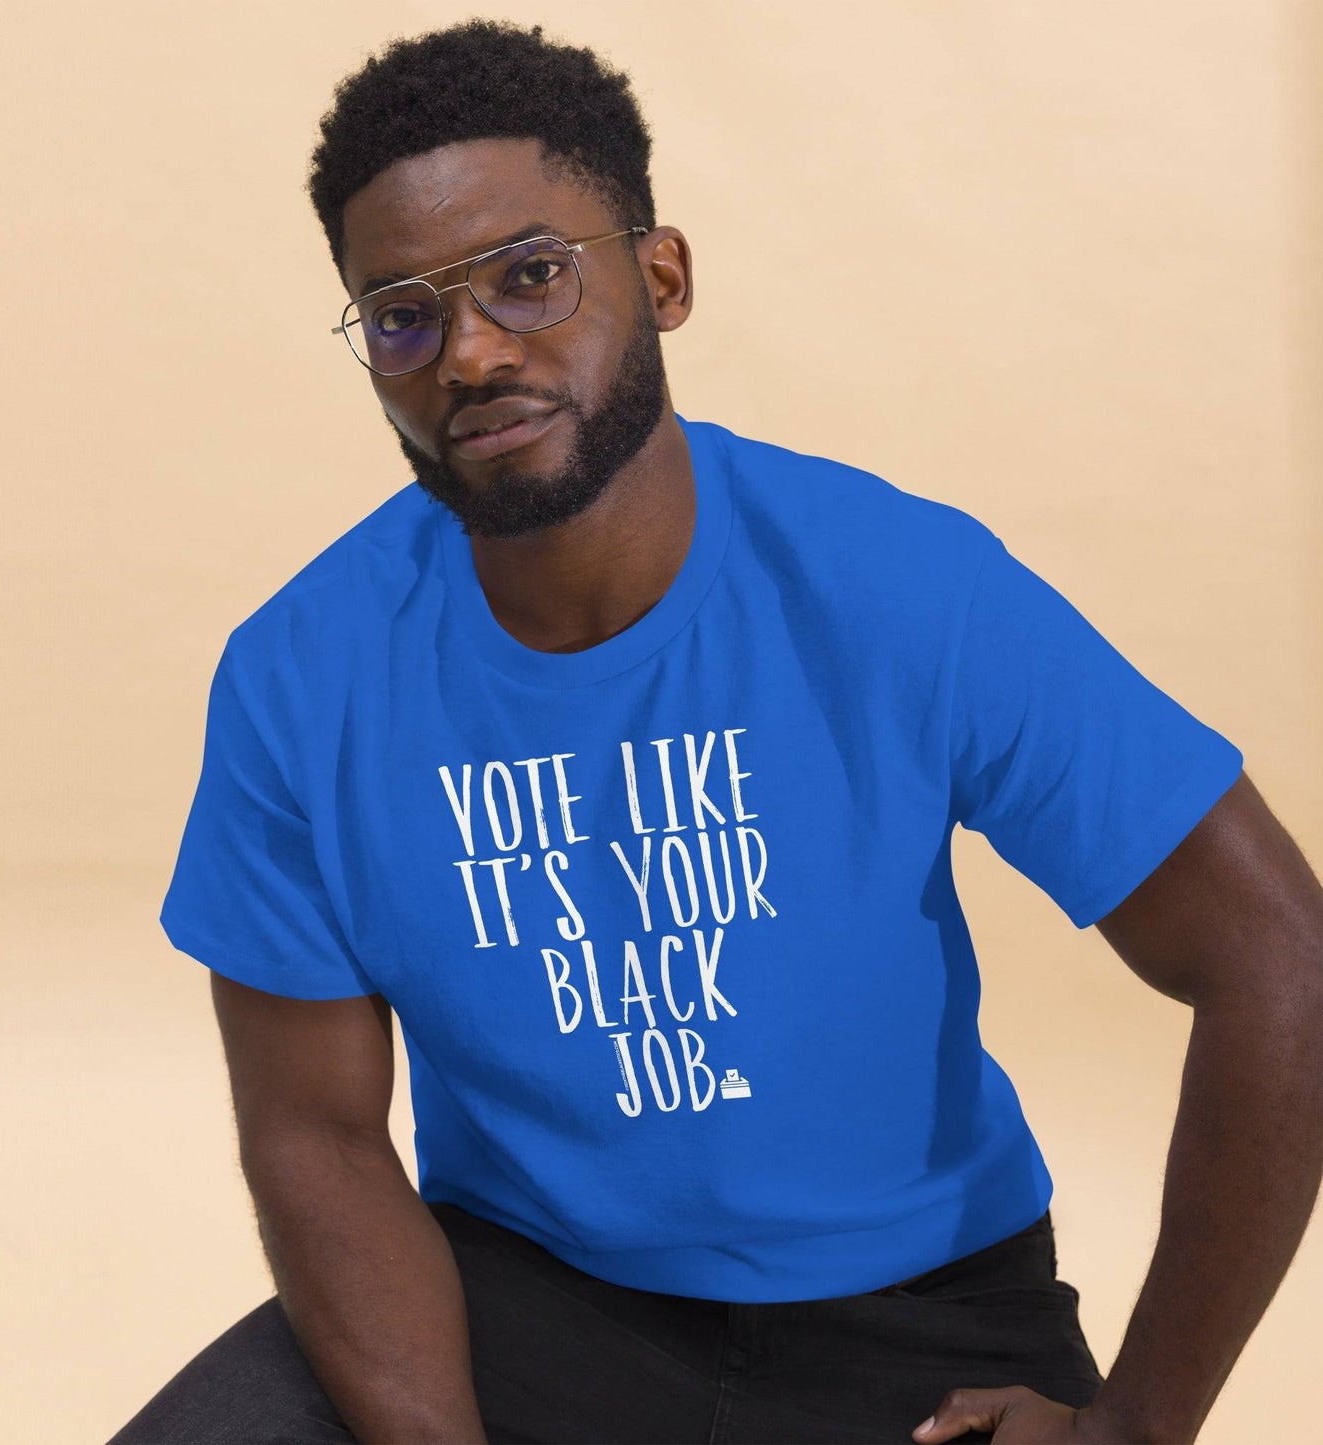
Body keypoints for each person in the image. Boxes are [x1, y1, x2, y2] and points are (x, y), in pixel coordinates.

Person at [109, 18, 1323, 1445]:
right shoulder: (298, 674)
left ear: (661, 276)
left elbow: (1276, 956)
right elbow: (312, 1130)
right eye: (403, 315)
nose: (473, 352)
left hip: (913, 1325)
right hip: (524, 1301)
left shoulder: (895, 585)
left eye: (530, 274)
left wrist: (1137, 1424)